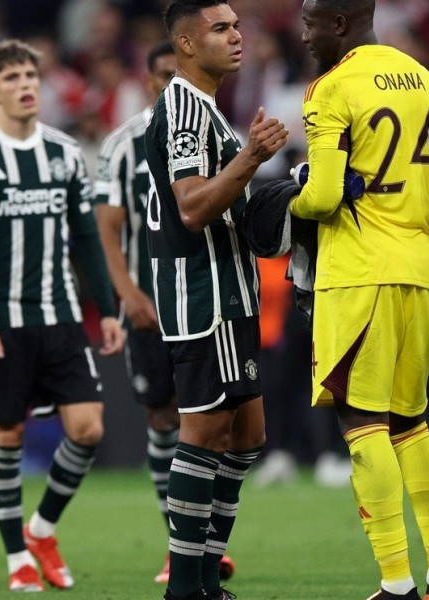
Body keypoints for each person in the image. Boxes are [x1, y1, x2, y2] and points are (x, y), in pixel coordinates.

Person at [291, 2, 429, 599]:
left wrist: (284, 198)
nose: (304, 33)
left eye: (311, 21)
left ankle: (395, 583)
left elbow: (322, 197)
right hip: (419, 264)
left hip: (359, 272)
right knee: (411, 424)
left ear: (339, 23)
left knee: (361, 423)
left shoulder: (332, 87)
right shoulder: (426, 80)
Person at [0, 39, 124, 592]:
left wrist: (109, 309)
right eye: (12, 78)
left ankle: (42, 529)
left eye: (31, 76)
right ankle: (16, 556)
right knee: (6, 433)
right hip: (2, 320)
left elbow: (88, 236)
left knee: (89, 428)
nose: (25, 85)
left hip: (61, 315)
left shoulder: (66, 152)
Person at [144, 2, 288, 599]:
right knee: (203, 434)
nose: (237, 37)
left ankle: (205, 576)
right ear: (184, 41)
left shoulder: (209, 109)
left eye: (237, 26)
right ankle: (188, 587)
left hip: (232, 290)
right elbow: (192, 205)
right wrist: (252, 158)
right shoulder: (183, 107)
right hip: (202, 294)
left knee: (248, 435)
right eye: (221, 29)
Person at [93, 40, 235, 585]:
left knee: (209, 420)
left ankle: (193, 545)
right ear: (149, 80)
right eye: (159, 74)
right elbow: (107, 226)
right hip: (150, 301)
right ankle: (173, 541)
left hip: (198, 295)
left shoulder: (210, 124)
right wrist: (126, 292)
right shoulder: (123, 143)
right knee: (161, 414)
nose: (165, 82)